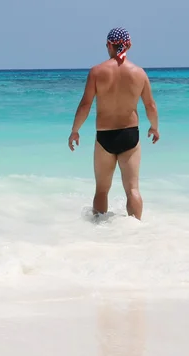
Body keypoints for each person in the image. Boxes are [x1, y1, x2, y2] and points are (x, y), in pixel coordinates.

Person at [68, 27, 159, 220]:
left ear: (109, 45)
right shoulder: (139, 73)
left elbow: (85, 104)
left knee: (101, 190)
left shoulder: (97, 72)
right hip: (130, 135)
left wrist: (75, 131)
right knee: (132, 189)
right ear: (129, 45)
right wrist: (154, 127)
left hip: (105, 136)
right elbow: (150, 105)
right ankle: (136, 232)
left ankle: (99, 232)